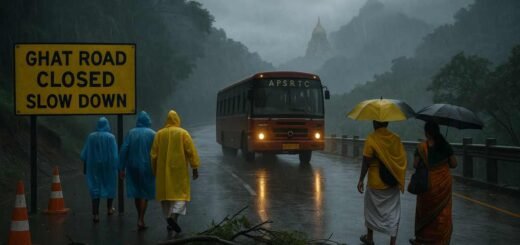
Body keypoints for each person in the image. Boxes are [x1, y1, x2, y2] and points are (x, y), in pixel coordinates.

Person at [357, 121, 407, 245]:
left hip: (375, 183)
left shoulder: (371, 138)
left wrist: (361, 179)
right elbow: (402, 160)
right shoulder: (396, 139)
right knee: (393, 214)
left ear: (374, 124)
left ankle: (369, 238)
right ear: (387, 123)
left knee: (371, 211)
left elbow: (366, 161)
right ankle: (392, 242)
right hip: (392, 182)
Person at [151, 110, 200, 234]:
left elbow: (153, 155)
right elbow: (191, 152)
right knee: (180, 197)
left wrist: (154, 170)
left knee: (166, 199)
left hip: (163, 173)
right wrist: (195, 167)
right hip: (179, 172)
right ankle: (173, 218)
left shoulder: (159, 134)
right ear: (177, 119)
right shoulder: (183, 133)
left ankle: (169, 220)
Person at [410, 121, 457, 245]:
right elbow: (454, 164)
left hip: (427, 185)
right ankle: (440, 240)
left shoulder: (421, 147)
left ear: (426, 132)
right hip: (443, 185)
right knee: (442, 212)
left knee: (424, 211)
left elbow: (415, 165)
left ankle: (422, 239)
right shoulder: (445, 146)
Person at [119, 111, 156, 230]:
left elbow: (124, 150)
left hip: (132, 166)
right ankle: (141, 219)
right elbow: (157, 152)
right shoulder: (153, 134)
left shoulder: (131, 133)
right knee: (145, 193)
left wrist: (121, 168)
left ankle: (139, 217)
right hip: (147, 167)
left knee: (137, 191)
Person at [81, 117, 118, 223]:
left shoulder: (91, 137)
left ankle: (96, 214)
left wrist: (85, 166)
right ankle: (109, 208)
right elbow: (115, 155)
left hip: (94, 167)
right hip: (108, 167)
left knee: (95, 188)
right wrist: (117, 166)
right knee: (110, 185)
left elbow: (84, 154)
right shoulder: (111, 138)